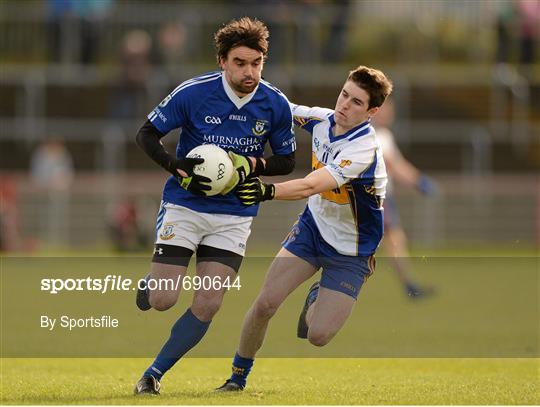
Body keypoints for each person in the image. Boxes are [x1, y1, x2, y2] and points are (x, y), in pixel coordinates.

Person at [133, 17, 296, 395]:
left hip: (233, 216)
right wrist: (176, 166)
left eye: (256, 63)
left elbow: (286, 160)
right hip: (185, 206)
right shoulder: (193, 93)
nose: (249, 71)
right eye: (240, 63)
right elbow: (146, 134)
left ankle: (153, 375)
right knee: (162, 300)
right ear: (222, 61)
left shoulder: (275, 104)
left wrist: (252, 165)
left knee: (208, 303)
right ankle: (149, 286)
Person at [216, 65, 392, 391]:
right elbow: (279, 105)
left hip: (352, 250)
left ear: (372, 111)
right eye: (344, 94)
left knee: (318, 336)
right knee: (266, 303)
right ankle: (237, 378)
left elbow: (311, 185)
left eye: (356, 102)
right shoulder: (323, 120)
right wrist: (241, 81)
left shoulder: (363, 149)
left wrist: (265, 189)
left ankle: (317, 294)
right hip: (313, 230)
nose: (344, 105)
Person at [372, 98, 438, 298]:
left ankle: (409, 284)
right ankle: (409, 285)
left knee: (394, 240)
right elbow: (395, 166)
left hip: (381, 198)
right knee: (391, 241)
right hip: (377, 199)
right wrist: (419, 182)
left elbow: (396, 164)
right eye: (385, 109)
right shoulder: (376, 135)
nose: (390, 113)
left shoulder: (382, 135)